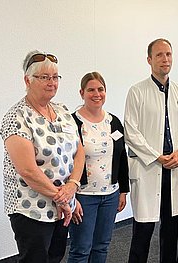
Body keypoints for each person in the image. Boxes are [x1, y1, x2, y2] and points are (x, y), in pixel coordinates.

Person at [0, 50, 85, 263]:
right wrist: (63, 198)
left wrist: (72, 186)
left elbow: (79, 150)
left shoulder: (63, 111)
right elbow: (27, 170)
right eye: (44, 77)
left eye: (55, 77)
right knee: (35, 259)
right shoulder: (16, 116)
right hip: (31, 208)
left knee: (55, 256)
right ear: (27, 80)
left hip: (62, 203)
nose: (52, 82)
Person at [124, 38, 178, 263]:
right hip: (149, 167)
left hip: (173, 167)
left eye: (169, 54)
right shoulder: (137, 91)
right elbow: (131, 132)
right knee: (143, 230)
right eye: (160, 55)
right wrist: (156, 156)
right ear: (149, 60)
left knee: (171, 229)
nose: (165, 59)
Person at [67, 72, 130, 262]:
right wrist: (71, 198)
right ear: (82, 93)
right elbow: (65, 160)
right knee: (81, 249)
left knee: (102, 247)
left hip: (110, 195)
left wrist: (123, 191)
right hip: (83, 196)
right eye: (91, 90)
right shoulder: (71, 123)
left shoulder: (114, 122)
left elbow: (122, 157)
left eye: (100, 89)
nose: (97, 94)